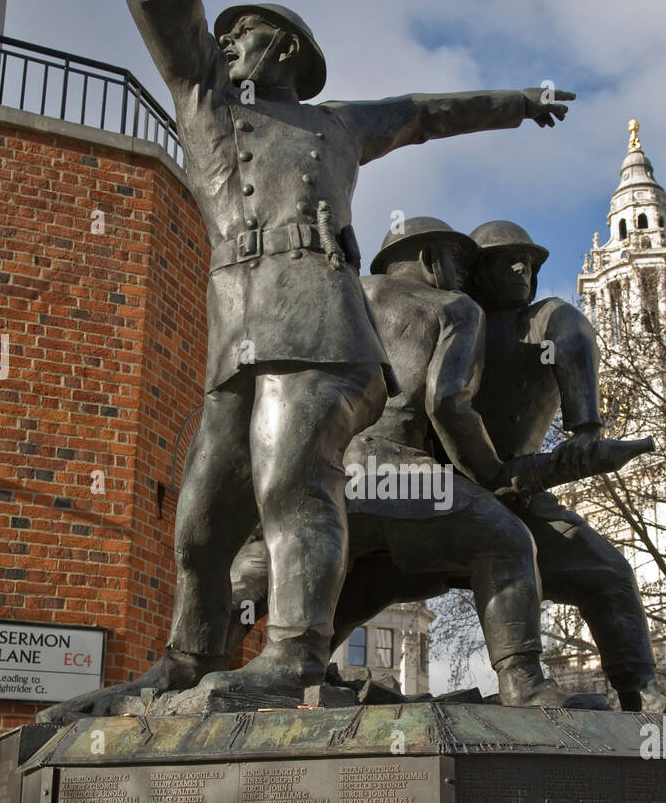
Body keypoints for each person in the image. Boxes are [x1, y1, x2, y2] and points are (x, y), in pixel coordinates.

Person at [44, 0, 574, 719]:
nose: (223, 42)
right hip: (239, 337)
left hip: (324, 333)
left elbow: (427, 114)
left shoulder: (333, 126)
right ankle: (186, 661)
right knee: (201, 525)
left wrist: (520, 103)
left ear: (281, 46)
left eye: (240, 33)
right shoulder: (207, 104)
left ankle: (295, 655)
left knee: (295, 486)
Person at [222, 218, 563, 706]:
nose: (465, 277)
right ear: (430, 260)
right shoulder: (454, 308)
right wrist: (493, 477)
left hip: (321, 472)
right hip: (394, 470)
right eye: (458, 264)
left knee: (260, 568)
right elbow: (449, 405)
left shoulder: (336, 295)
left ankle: (201, 662)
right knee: (508, 544)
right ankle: (525, 685)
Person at [468, 220, 666, 713]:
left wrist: (586, 426)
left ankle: (639, 692)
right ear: (476, 270)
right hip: (449, 491)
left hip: (517, 495)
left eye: (529, 262)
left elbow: (571, 331)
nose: (521, 269)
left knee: (608, 572)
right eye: (507, 259)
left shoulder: (544, 320)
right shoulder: (455, 322)